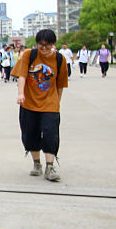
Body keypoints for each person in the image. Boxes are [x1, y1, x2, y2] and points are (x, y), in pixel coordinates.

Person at [12, 29, 68, 182]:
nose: (43, 48)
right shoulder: (30, 55)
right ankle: (37, 164)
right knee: (30, 134)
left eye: (47, 45)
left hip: (50, 103)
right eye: (40, 45)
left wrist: (57, 102)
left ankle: (49, 167)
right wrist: (21, 94)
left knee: (51, 134)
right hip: (29, 103)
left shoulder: (59, 59)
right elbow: (22, 75)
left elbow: (60, 84)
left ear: (53, 44)